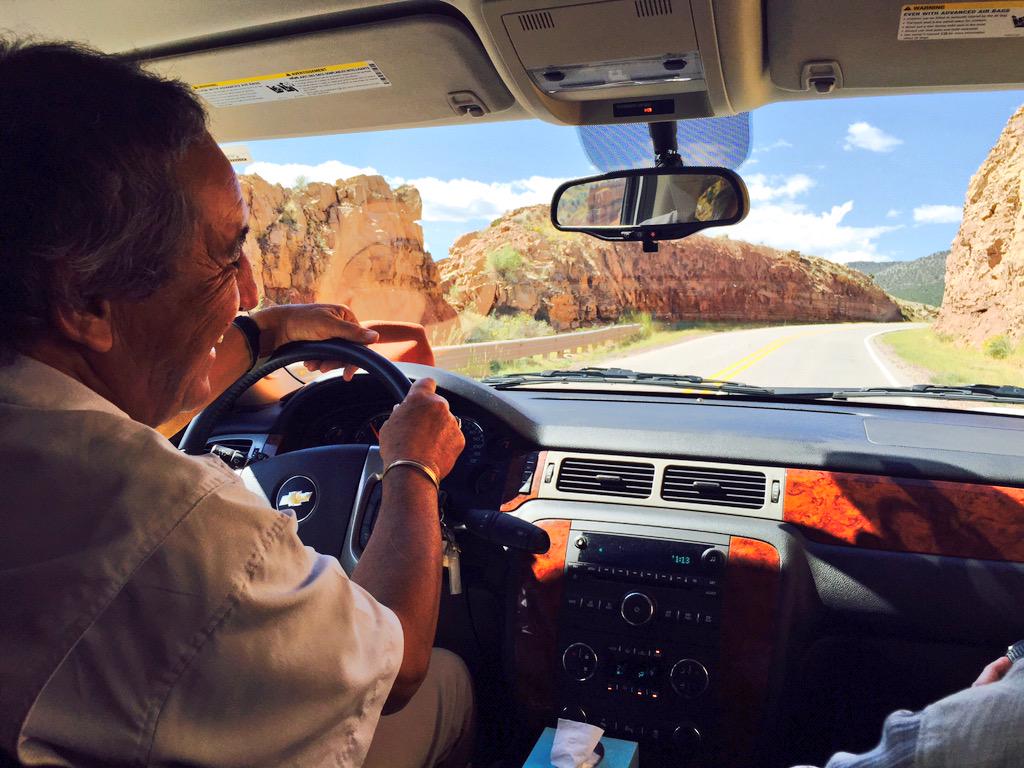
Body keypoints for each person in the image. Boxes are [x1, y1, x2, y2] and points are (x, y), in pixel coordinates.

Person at [0, 39, 472, 767]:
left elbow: (108, 411)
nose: (250, 289)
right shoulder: (172, 528)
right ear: (85, 299)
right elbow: (400, 661)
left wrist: (267, 333)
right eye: (226, 256)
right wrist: (414, 468)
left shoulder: (38, 427)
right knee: (452, 680)